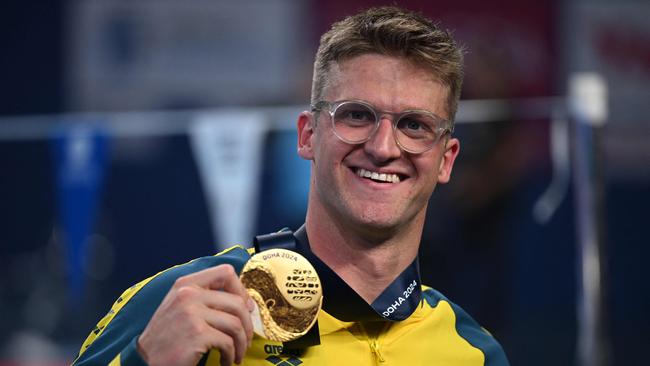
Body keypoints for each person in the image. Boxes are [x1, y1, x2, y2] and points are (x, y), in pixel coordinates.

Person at [72, 6, 509, 366]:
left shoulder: (473, 351)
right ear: (307, 135)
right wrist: (144, 361)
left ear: (445, 159)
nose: (382, 147)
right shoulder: (196, 301)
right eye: (356, 115)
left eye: (414, 125)